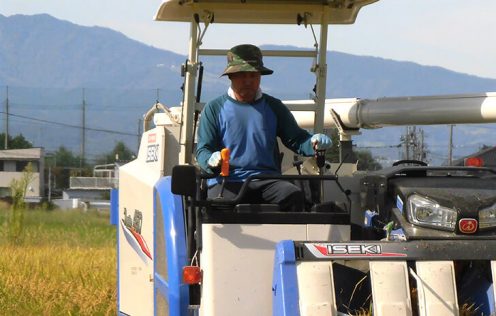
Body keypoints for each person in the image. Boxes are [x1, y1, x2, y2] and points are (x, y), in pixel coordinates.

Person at [196, 44, 332, 211]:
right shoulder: (214, 108)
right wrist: (211, 160)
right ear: (230, 77)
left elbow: (297, 139)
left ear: (260, 76)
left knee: (293, 196)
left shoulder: (274, 107)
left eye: (253, 75)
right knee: (219, 207)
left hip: (268, 180)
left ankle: (289, 238)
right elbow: (203, 150)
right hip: (228, 181)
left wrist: (313, 143)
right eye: (242, 75)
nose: (248, 81)